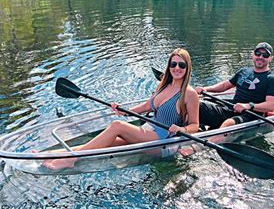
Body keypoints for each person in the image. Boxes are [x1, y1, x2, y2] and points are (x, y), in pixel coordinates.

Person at [42, 48, 200, 169]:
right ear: (169, 66)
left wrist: (181, 129)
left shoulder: (189, 94)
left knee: (117, 126)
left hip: (163, 140)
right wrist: (125, 110)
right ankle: (51, 155)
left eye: (181, 64)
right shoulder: (163, 85)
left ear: (187, 67)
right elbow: (146, 106)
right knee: (108, 141)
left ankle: (71, 159)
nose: (176, 68)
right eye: (173, 64)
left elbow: (195, 126)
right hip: (149, 130)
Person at [195, 42, 274, 129]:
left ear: (270, 58)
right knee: (195, 106)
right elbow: (225, 85)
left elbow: (271, 106)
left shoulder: (272, 79)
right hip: (231, 108)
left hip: (251, 115)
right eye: (258, 53)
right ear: (253, 55)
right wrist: (205, 89)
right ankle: (192, 131)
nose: (260, 57)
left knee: (228, 123)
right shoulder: (243, 71)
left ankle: (207, 140)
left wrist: (248, 106)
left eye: (265, 55)